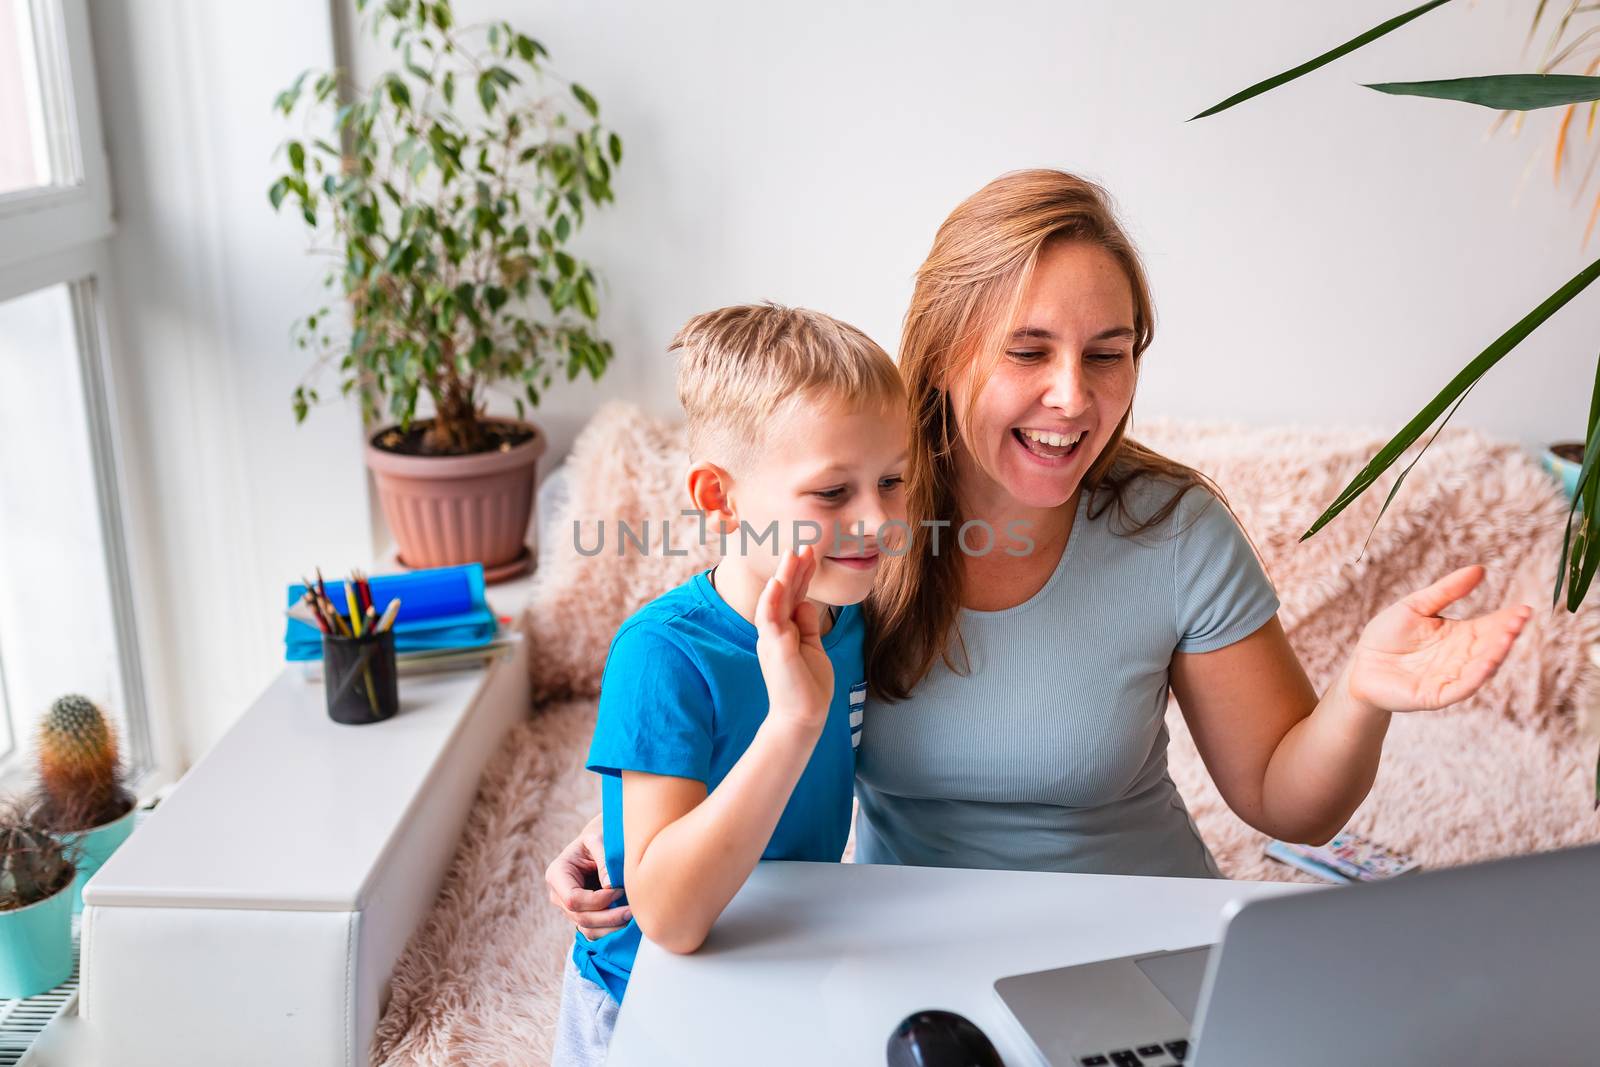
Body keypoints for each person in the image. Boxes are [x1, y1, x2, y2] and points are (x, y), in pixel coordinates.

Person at [546, 169, 1531, 934]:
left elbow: (1285, 798)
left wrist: (1358, 696)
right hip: (908, 945)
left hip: (1143, 932)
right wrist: (627, 834)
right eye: (1029, 351)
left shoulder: (1170, 527)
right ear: (943, 354)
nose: (1075, 393)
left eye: (1108, 351)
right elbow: (717, 680)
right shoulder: (861, 526)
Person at [550, 304, 909, 1066]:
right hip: (650, 1001)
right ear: (720, 498)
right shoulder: (661, 654)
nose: (878, 518)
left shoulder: (851, 615)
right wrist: (791, 725)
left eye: (892, 480)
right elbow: (671, 919)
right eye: (833, 492)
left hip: (791, 968)